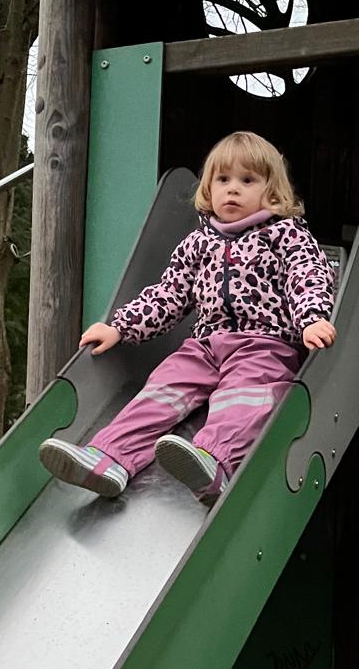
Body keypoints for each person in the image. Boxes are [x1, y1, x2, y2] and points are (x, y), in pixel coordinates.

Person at [39, 131, 337, 503]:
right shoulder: (197, 244)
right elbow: (169, 294)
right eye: (223, 179)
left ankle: (215, 462)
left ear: (272, 192)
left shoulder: (285, 235)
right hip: (205, 346)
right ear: (209, 189)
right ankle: (110, 458)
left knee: (245, 396)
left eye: (247, 180)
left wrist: (311, 318)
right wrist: (120, 326)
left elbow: (307, 276)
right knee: (162, 389)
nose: (233, 189)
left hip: (264, 344)